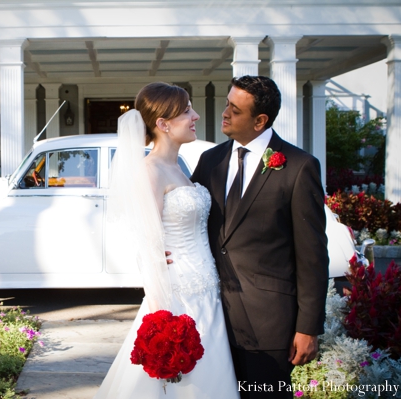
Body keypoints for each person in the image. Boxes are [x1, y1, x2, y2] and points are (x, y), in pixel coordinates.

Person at [95, 82, 240, 398]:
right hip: (180, 295)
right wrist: (162, 318)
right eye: (187, 110)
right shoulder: (149, 171)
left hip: (208, 288)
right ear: (162, 124)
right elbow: (147, 246)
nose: (195, 116)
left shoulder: (179, 167)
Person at [190, 76, 329, 398]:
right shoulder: (210, 161)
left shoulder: (298, 166)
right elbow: (195, 223)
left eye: (234, 110)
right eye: (227, 103)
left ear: (260, 120)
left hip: (268, 321)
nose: (224, 113)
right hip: (212, 316)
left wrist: (308, 327)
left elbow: (312, 254)